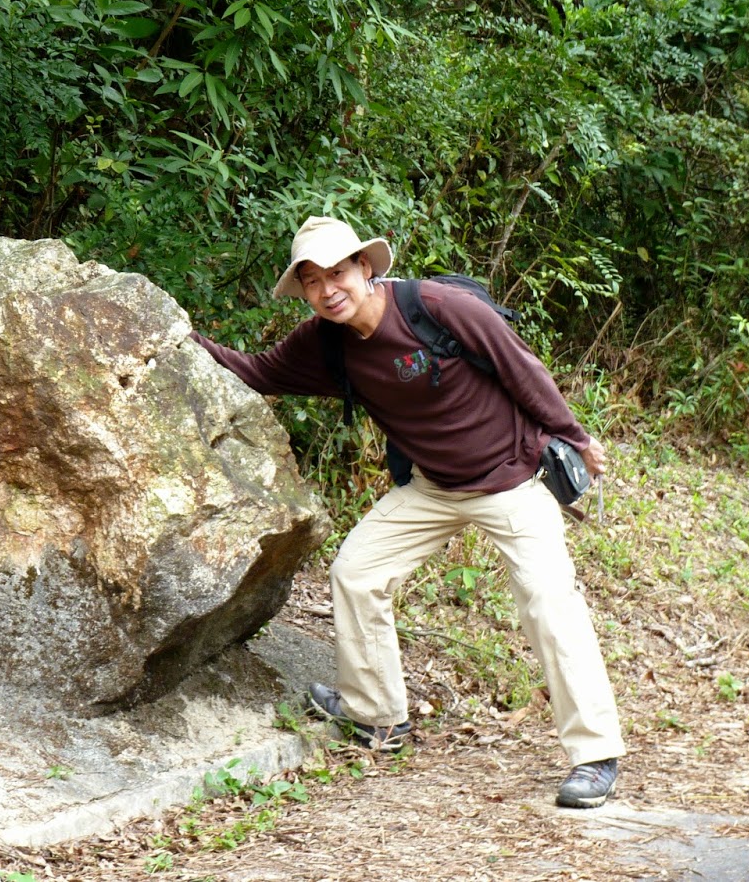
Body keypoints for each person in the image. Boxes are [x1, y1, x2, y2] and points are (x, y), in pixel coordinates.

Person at [190, 216, 626, 809]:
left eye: (337, 273)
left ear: (364, 267)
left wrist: (574, 437)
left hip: (511, 479)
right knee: (357, 573)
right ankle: (378, 716)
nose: (328, 290)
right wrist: (179, 338)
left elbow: (522, 368)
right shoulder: (324, 341)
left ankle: (595, 755)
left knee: (549, 602)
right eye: (313, 281)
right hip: (432, 487)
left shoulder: (438, 308)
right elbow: (259, 372)